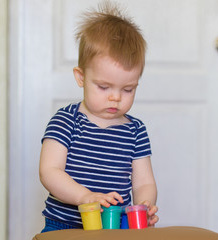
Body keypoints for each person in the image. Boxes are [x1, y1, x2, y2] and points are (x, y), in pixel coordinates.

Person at [39, 0, 158, 232]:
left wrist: (146, 204)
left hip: (116, 226)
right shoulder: (66, 121)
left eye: (127, 89)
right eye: (104, 87)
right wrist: (84, 196)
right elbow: (49, 171)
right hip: (65, 225)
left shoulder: (135, 130)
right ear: (81, 77)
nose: (115, 97)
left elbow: (144, 181)